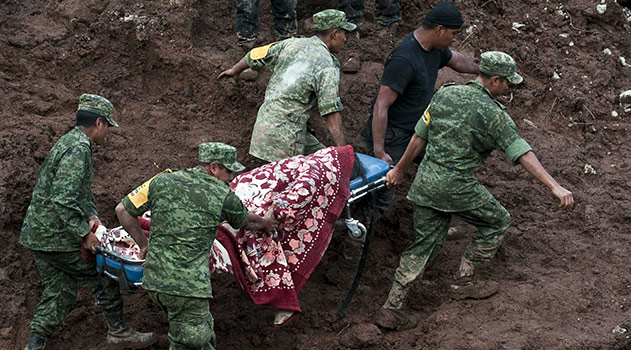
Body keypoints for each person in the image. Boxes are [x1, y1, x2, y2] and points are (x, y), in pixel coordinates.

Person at [379, 51, 574, 330]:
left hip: (426, 183)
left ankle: (391, 308)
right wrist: (554, 186)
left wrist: (399, 169)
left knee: (423, 246)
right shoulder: (492, 113)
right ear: (494, 80)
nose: (507, 88)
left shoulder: (445, 94)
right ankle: (463, 280)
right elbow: (522, 152)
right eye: (506, 82)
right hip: (457, 186)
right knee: (498, 221)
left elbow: (419, 135)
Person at [115, 142, 277, 350]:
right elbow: (246, 221)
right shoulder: (221, 195)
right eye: (228, 172)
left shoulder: (161, 180)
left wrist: (143, 244)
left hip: (156, 282)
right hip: (188, 286)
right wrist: (268, 222)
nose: (230, 179)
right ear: (214, 168)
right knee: (186, 345)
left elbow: (122, 210)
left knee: (202, 331)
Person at [14, 94, 156, 350]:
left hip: (38, 236)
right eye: (108, 127)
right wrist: (84, 234)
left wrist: (92, 215)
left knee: (60, 291)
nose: (108, 133)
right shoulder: (78, 149)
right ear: (99, 122)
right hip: (56, 237)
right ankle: (118, 331)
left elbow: (77, 192)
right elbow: (63, 198)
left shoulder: (69, 142)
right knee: (105, 271)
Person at [361, 1, 478, 218]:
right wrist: (379, 152)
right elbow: (381, 106)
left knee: (442, 165)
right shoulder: (404, 59)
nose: (454, 39)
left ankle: (431, 217)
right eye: (453, 34)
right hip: (391, 136)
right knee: (380, 197)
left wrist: (481, 70)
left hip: (415, 132)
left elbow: (457, 60)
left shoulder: (434, 49)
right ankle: (356, 240)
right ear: (439, 29)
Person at [218, 9, 356, 163]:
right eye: (345, 33)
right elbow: (331, 112)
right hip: (287, 140)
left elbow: (256, 54)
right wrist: (344, 152)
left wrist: (234, 70)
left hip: (264, 129)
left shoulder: (291, 43)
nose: (345, 39)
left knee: (320, 156)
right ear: (334, 33)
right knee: (300, 179)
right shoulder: (326, 65)